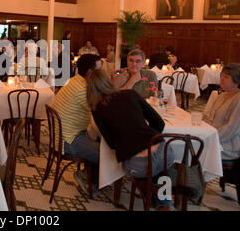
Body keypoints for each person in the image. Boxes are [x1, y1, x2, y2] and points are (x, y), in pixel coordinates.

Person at [87, 69, 174, 210]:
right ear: (108, 82)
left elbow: (111, 143)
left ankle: (154, 200)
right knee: (160, 167)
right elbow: (159, 123)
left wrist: (128, 140)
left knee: (146, 171)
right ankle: (164, 202)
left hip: (137, 164)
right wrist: (146, 137)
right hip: (165, 153)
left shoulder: (97, 109)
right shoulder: (130, 94)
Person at [52, 54, 102, 193]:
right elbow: (103, 110)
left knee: (100, 141)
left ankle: (89, 174)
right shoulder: (83, 90)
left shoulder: (75, 81)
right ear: (90, 73)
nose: (103, 74)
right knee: (107, 154)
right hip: (68, 140)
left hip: (63, 134)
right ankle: (88, 179)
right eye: (100, 71)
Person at [203, 63, 240, 160]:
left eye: (226, 77)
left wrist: (209, 137)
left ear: (236, 81)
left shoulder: (239, 99)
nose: (222, 79)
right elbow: (210, 118)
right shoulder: (221, 95)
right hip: (214, 138)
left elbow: (231, 128)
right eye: (221, 76)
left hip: (228, 145)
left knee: (195, 149)